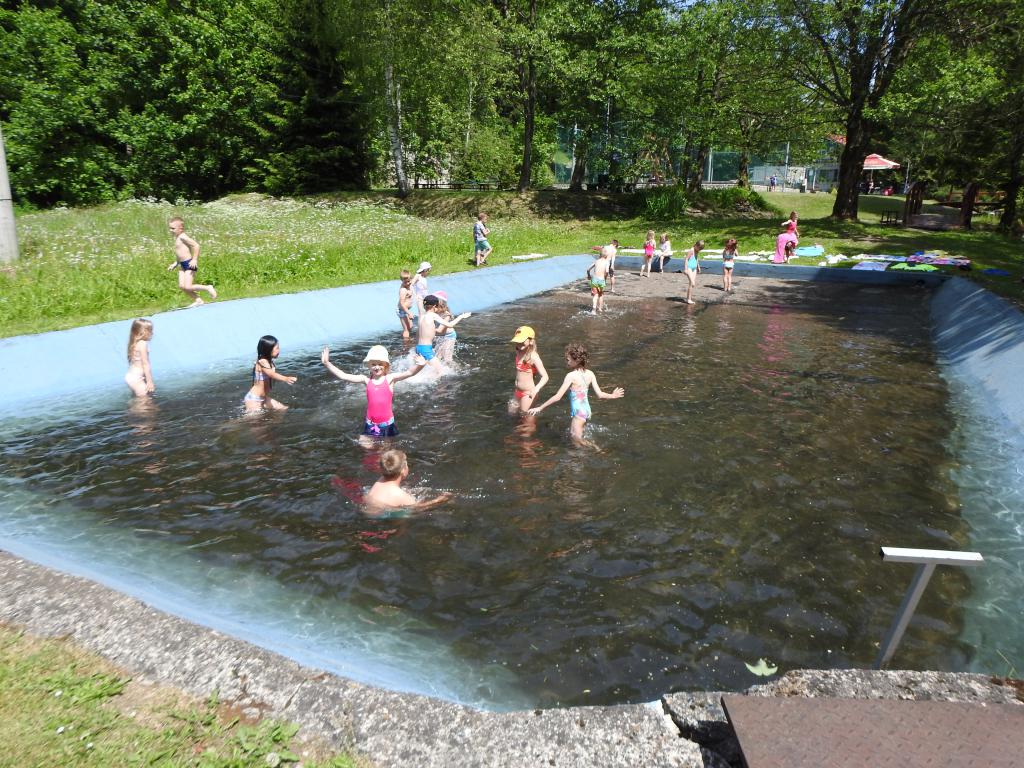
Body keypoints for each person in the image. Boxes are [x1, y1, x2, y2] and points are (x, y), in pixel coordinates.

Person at [528, 343, 624, 447]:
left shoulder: (571, 376)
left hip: (578, 413)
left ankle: (597, 449)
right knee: (578, 438)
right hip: (586, 411)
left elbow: (558, 397)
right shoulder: (590, 374)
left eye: (568, 360)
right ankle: (594, 450)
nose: (566, 362)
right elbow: (600, 394)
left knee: (576, 440)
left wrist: (540, 407)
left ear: (577, 361)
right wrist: (612, 395)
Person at [321, 344, 426, 439]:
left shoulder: (390, 379)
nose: (377, 367)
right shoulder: (366, 380)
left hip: (386, 425)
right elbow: (344, 376)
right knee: (365, 445)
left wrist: (420, 365)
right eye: (373, 364)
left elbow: (409, 372)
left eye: (380, 364)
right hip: (371, 424)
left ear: (386, 365)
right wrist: (327, 363)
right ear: (369, 365)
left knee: (385, 449)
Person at [364, 449, 453, 512]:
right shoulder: (400, 495)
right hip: (381, 517)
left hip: (370, 509)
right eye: (406, 464)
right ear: (403, 470)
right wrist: (439, 500)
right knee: (405, 518)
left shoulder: (380, 481)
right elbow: (417, 509)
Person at [166, 217, 217, 308]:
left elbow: (196, 245)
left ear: (181, 228)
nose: (171, 230)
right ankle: (198, 300)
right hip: (182, 264)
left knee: (188, 286)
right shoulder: (177, 237)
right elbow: (180, 253)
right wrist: (176, 263)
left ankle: (208, 287)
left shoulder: (183, 237)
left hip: (189, 263)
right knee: (182, 286)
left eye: (173, 228)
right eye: (170, 228)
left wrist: (194, 259)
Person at [416, 294, 471, 372]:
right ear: (435, 306)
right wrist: (461, 317)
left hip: (419, 347)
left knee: (430, 367)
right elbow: (450, 325)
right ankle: (459, 371)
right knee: (440, 372)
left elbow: (418, 333)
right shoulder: (433, 315)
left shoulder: (422, 316)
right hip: (426, 348)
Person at [244, 335, 297, 411]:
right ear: (268, 350)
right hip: (254, 399)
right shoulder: (263, 362)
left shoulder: (269, 361)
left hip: (263, 398)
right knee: (255, 418)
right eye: (277, 348)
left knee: (283, 409)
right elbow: (271, 374)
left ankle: (274, 419)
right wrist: (285, 378)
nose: (279, 350)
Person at [510, 325, 549, 414]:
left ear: (531, 341)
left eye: (522, 341)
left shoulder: (533, 356)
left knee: (526, 417)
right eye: (517, 341)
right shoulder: (518, 351)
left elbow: (545, 376)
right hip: (517, 391)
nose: (519, 343)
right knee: (511, 414)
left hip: (528, 394)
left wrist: (536, 389)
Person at [124, 318, 155, 397]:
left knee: (139, 400)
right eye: (150, 330)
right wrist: (149, 381)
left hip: (132, 375)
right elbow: (145, 364)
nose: (152, 333)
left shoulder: (134, 343)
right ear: (143, 332)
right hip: (137, 377)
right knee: (145, 401)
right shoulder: (142, 343)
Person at [432, 291, 458, 364]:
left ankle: (454, 368)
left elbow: (440, 329)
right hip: (440, 335)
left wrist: (427, 330)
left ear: (441, 304)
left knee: (447, 359)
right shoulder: (434, 312)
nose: (433, 306)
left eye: (435, 304)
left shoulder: (446, 315)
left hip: (449, 336)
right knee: (438, 356)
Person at [586, 246, 612, 314]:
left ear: (599, 255)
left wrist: (589, 275)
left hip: (594, 279)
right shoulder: (607, 262)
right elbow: (607, 271)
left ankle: (593, 310)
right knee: (600, 294)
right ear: (606, 256)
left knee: (595, 295)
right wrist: (605, 279)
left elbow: (588, 269)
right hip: (601, 279)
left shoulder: (596, 261)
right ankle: (600, 308)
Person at [681, 239, 704, 305]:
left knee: (692, 284)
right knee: (692, 283)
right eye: (699, 248)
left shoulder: (697, 251)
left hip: (694, 268)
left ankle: (689, 298)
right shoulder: (691, 250)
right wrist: (685, 269)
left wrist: (698, 266)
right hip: (689, 268)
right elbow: (686, 259)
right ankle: (688, 299)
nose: (699, 250)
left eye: (700, 249)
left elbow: (696, 258)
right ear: (696, 245)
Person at [397, 269, 414, 338]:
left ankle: (407, 337)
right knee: (406, 330)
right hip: (402, 310)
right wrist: (409, 313)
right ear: (402, 281)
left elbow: (412, 280)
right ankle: (406, 343)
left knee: (410, 327)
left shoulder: (409, 285)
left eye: (409, 281)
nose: (407, 283)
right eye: (405, 282)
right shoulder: (403, 290)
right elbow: (402, 303)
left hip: (405, 310)